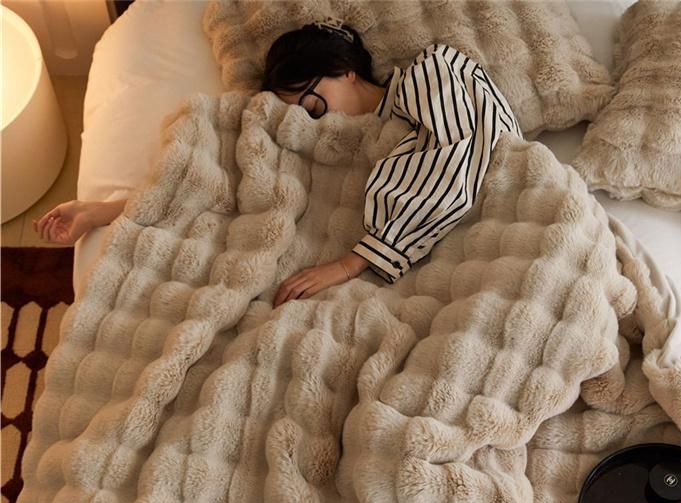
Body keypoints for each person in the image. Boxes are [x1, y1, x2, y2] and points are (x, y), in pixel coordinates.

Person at [34, 18, 523, 308]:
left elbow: (462, 156)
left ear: (345, 71)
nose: (311, 117)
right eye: (299, 112)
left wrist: (351, 263)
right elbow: (221, 188)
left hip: (497, 231)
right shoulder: (318, 143)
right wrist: (104, 210)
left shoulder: (432, 72)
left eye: (311, 100)